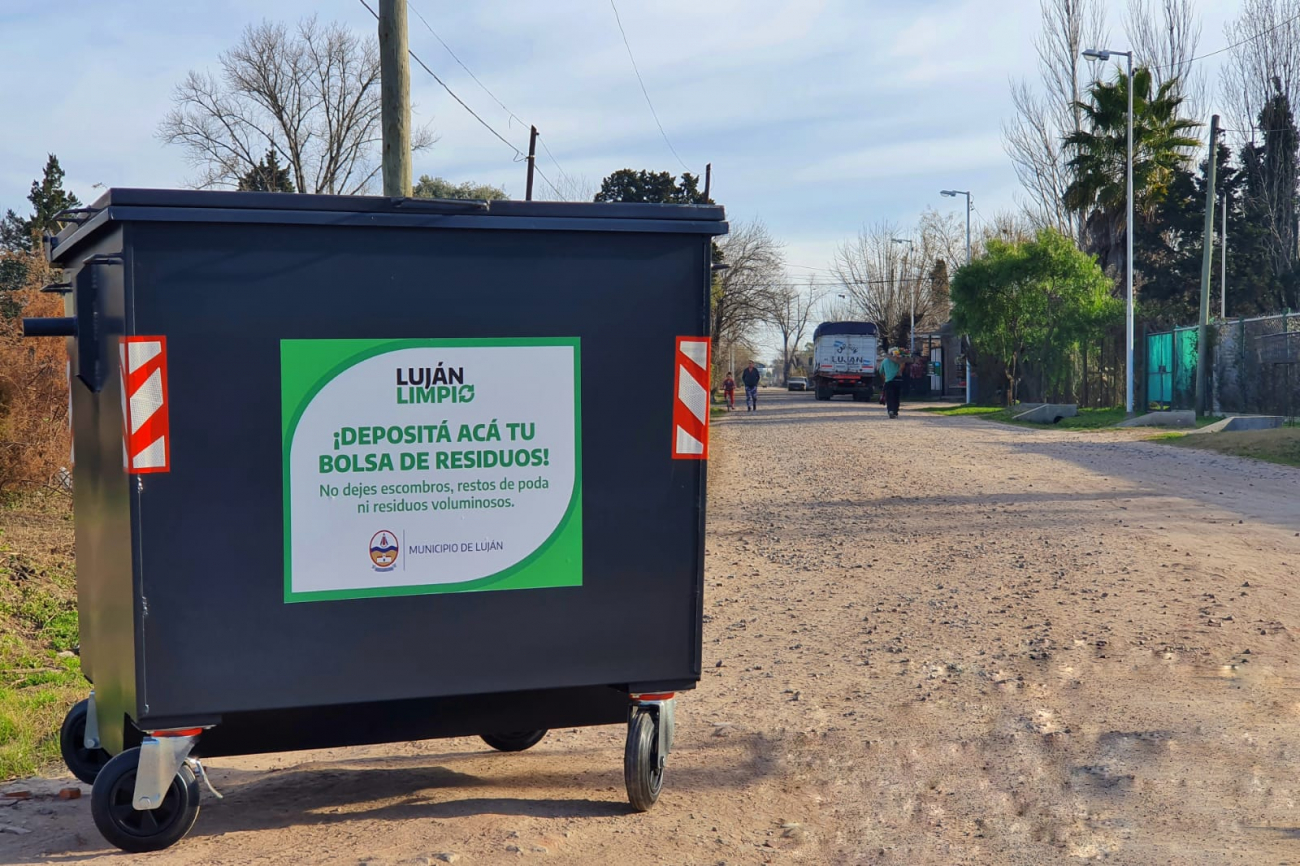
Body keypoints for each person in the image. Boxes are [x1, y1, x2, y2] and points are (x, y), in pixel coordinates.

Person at [881, 348, 904, 419]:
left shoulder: (885, 361)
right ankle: (895, 412)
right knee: (896, 397)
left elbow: (881, 371)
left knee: (889, 397)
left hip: (888, 381)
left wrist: (884, 379)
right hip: (897, 380)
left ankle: (890, 410)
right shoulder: (898, 361)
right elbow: (902, 369)